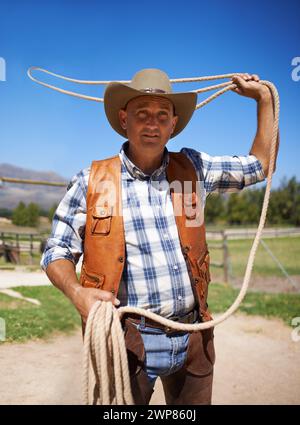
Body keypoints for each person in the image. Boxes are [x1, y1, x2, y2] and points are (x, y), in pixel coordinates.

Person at [41, 68, 279, 405]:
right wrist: (76, 292)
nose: (152, 124)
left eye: (161, 115)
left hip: (194, 335)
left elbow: (261, 165)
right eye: (142, 114)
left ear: (173, 123)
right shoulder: (91, 181)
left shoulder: (195, 169)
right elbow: (56, 250)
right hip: (127, 339)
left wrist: (264, 100)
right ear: (124, 119)